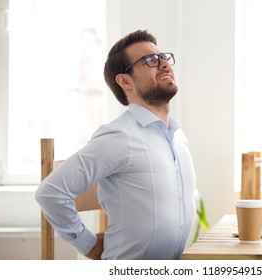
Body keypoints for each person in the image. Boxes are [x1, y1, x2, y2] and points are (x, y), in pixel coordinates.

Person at [35, 30, 197, 260]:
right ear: (124, 80)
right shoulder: (119, 136)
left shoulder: (178, 137)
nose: (163, 64)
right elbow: (50, 192)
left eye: (163, 58)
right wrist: (88, 244)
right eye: (150, 60)